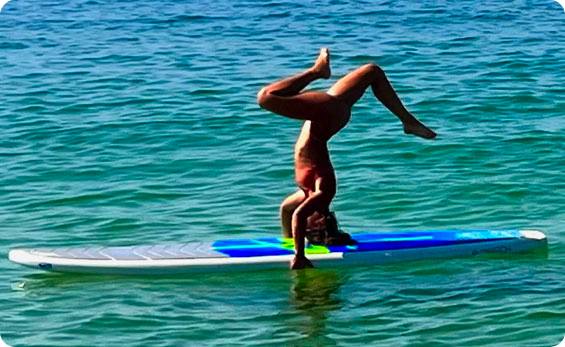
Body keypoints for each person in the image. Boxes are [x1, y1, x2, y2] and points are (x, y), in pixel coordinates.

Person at [257, 48, 436, 269]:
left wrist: (292, 246)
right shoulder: (323, 193)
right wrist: (299, 253)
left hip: (324, 116)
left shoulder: (306, 195)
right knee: (267, 97)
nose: (307, 220)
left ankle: (317, 72)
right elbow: (299, 217)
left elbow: (288, 211)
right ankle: (408, 122)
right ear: (322, 221)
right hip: (325, 118)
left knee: (372, 71)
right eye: (313, 224)